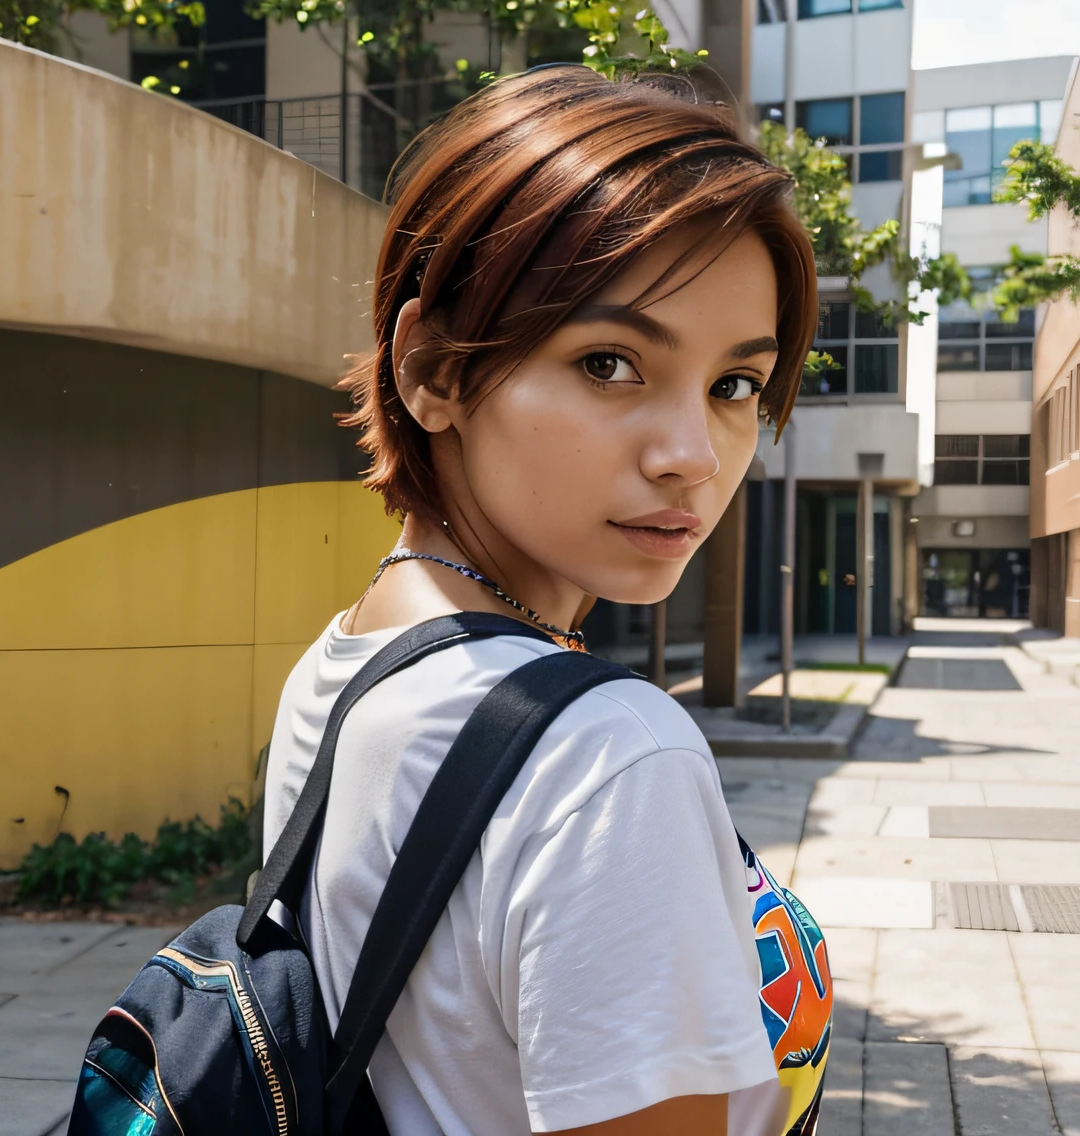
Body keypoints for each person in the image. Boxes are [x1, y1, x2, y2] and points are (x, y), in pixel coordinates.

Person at [262, 65, 833, 1136]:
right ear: (433, 369)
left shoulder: (343, 665)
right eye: (609, 362)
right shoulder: (610, 756)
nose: (689, 457)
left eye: (734, 384)